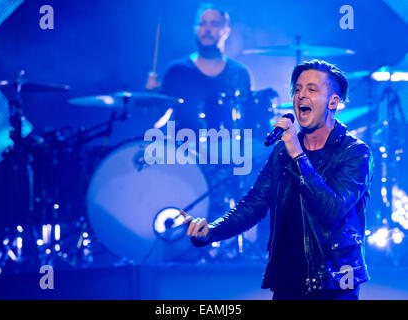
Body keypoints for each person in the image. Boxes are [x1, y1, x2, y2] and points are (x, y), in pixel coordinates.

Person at [180, 59, 374, 300]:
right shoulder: (283, 152)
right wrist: (211, 232)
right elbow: (254, 204)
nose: (301, 96)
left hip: (333, 283)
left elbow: (331, 209)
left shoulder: (355, 153)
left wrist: (298, 156)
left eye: (312, 89)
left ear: (333, 102)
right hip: (287, 281)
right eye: (298, 89)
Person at [146, 3, 252, 133]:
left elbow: (248, 121)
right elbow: (156, 121)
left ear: (226, 31)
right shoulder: (177, 71)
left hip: (229, 149)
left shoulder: (239, 73)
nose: (207, 29)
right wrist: (153, 97)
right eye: (202, 23)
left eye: (214, 24)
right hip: (184, 148)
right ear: (195, 28)